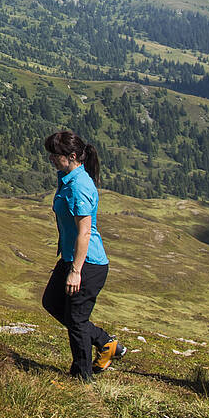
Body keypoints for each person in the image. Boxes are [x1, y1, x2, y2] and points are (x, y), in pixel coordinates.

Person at [41, 129, 122, 380]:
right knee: (52, 302)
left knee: (76, 320)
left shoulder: (79, 186)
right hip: (70, 257)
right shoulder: (66, 177)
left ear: (72, 156)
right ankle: (105, 341)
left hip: (87, 264)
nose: (51, 159)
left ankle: (82, 378)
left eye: (55, 155)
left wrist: (75, 271)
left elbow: (84, 232)